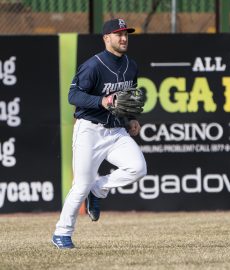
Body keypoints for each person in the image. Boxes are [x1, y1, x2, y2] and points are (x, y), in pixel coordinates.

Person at [52, 18, 147, 249]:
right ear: (107, 38)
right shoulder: (93, 66)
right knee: (81, 184)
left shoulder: (131, 66)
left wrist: (132, 118)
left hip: (115, 131)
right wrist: (101, 100)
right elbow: (73, 97)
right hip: (89, 131)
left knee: (138, 168)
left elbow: (127, 99)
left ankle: (99, 188)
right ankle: (61, 233)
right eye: (118, 34)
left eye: (126, 34)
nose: (124, 38)